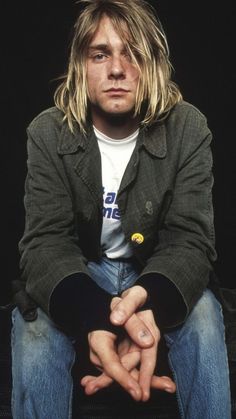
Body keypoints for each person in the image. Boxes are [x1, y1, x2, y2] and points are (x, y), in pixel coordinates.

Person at [11, 0, 232, 418]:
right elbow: (44, 243)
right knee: (34, 327)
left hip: (155, 272)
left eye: (132, 53)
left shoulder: (188, 127)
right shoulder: (47, 132)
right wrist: (98, 316)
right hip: (81, 268)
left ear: (153, 64)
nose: (117, 69)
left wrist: (144, 304)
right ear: (82, 65)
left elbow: (190, 240)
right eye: (101, 54)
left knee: (203, 315)